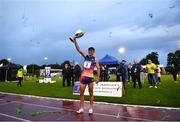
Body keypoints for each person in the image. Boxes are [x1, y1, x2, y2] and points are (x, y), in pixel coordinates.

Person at [70, 36, 100, 114]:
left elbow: (98, 68)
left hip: (90, 78)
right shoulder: (85, 56)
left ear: (94, 52)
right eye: (89, 51)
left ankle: (91, 108)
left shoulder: (96, 59)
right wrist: (75, 41)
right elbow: (78, 50)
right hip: (83, 77)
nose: (90, 52)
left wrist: (98, 78)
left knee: (91, 93)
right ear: (88, 51)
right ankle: (81, 108)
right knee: (81, 93)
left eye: (92, 51)